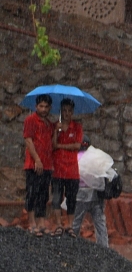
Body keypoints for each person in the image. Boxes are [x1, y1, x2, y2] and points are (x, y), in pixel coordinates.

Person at [23, 94, 54, 237]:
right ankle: (32, 223)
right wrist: (37, 159)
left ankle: (41, 223)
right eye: (41, 106)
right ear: (36, 107)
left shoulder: (49, 124)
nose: (43, 109)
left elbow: (51, 143)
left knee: (43, 194)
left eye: (46, 106)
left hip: (47, 165)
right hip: (33, 164)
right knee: (32, 193)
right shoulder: (30, 120)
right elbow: (29, 141)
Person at [50, 98, 83, 236]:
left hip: (72, 170)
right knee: (56, 198)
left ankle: (70, 225)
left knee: (71, 199)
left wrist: (61, 146)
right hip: (57, 169)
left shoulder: (77, 127)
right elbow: (51, 145)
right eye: (64, 110)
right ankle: (58, 224)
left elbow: (77, 145)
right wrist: (56, 132)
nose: (67, 113)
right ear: (61, 111)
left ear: (72, 112)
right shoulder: (55, 126)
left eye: (69, 111)